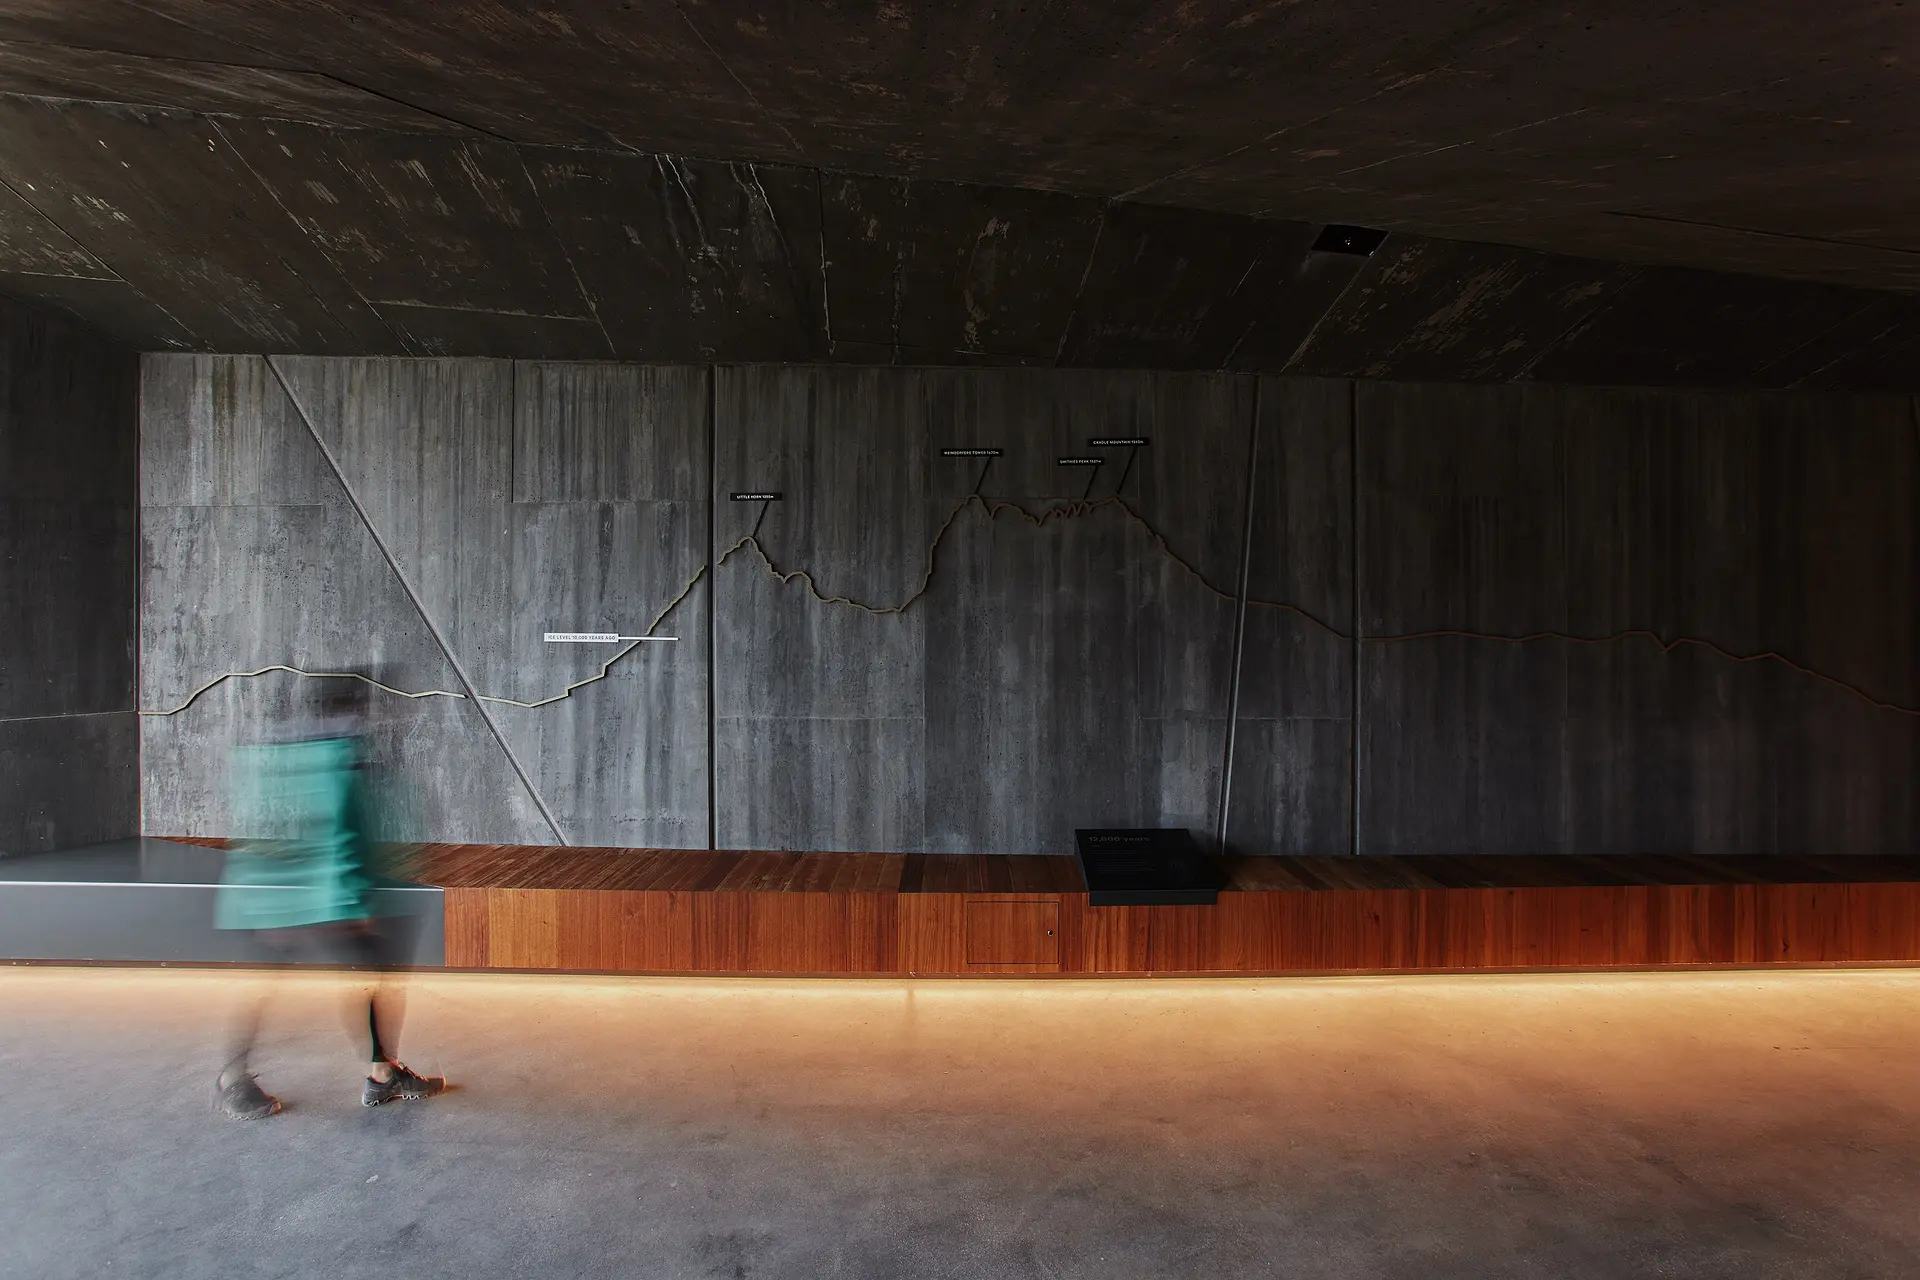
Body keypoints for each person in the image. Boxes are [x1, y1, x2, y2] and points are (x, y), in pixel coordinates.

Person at [212, 674, 446, 1120]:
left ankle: (382, 1074)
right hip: (303, 898)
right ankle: (231, 1079)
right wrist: (356, 904)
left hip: (286, 895)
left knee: (367, 976)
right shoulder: (332, 756)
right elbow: (338, 829)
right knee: (359, 976)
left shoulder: (282, 750)